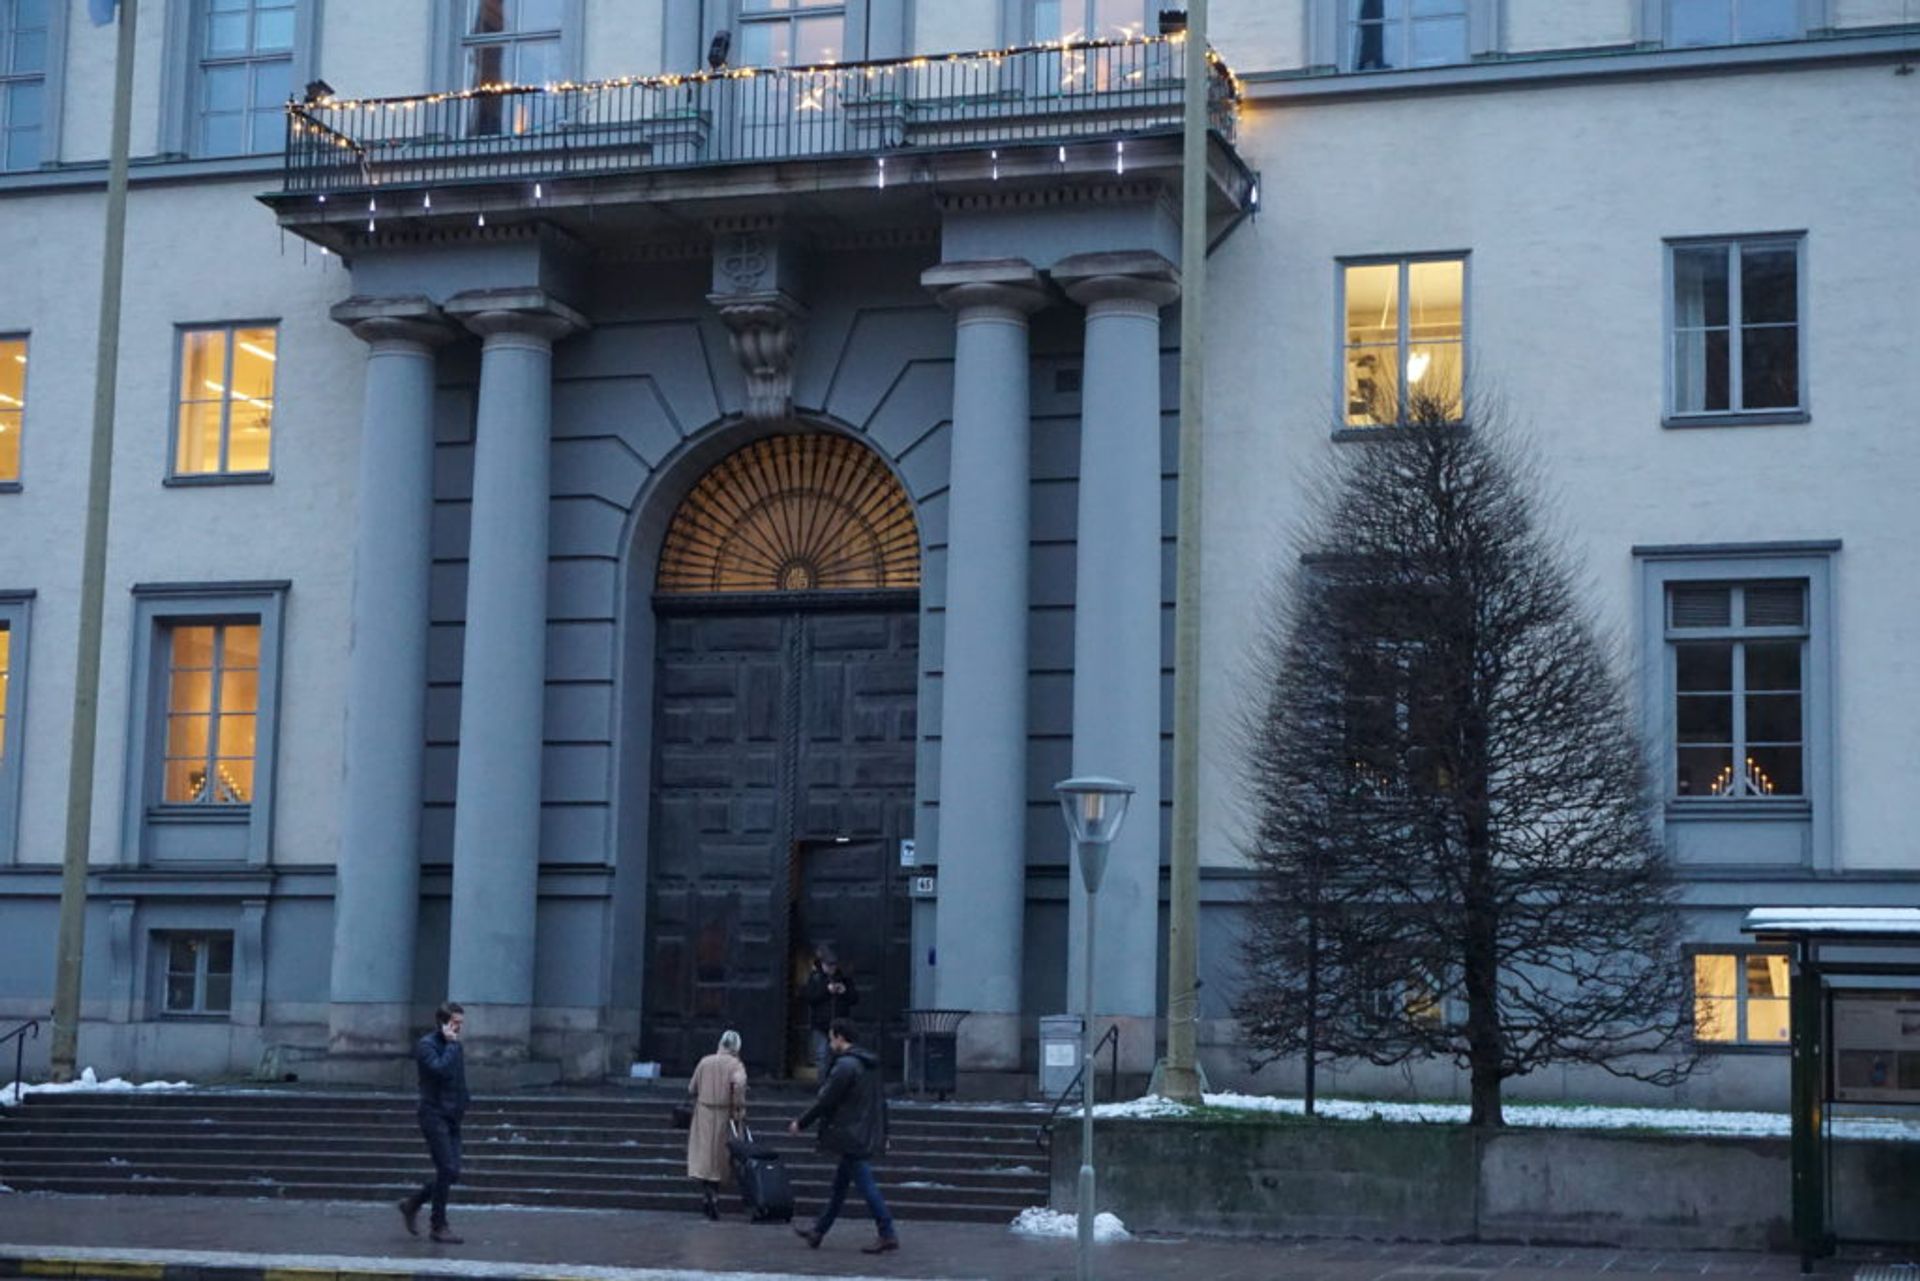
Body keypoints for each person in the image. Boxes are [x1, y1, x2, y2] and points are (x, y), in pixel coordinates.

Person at [788, 1018, 897, 1254]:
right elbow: (881, 1102)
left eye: (830, 1038)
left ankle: (887, 1232)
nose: (829, 1044)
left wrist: (801, 1122)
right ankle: (818, 1231)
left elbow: (826, 1100)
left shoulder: (846, 1066)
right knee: (839, 1187)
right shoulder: (869, 1064)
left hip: (849, 1134)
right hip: (861, 1132)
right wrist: (884, 1131)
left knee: (866, 1186)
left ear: (839, 1037)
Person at [398, 1002, 468, 1245]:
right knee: (447, 1169)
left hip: (451, 1115)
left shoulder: (454, 1046)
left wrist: (463, 1104)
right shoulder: (428, 1046)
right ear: (443, 1022)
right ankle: (439, 1226)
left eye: (461, 1023)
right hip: (433, 1114)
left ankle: (413, 1203)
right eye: (455, 1023)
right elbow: (440, 1071)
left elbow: (458, 1080)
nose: (459, 1028)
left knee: (452, 1172)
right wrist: (450, 1045)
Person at [685, 1028, 748, 1220]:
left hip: (704, 1112)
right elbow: (738, 1085)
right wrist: (738, 1107)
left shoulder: (705, 1062)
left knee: (704, 1158)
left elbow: (691, 1087)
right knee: (720, 1159)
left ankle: (707, 1194)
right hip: (724, 1113)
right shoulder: (736, 1065)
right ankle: (714, 1195)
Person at [802, 945, 858, 1080]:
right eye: (828, 965)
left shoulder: (844, 979)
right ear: (822, 964)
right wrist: (826, 991)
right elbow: (809, 997)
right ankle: (824, 1086)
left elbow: (854, 998)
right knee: (822, 1056)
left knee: (840, 1057)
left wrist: (844, 991)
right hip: (821, 1025)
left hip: (840, 1026)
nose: (831, 968)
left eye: (833, 965)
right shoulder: (816, 978)